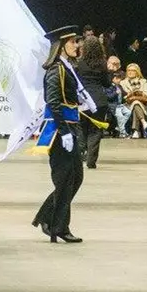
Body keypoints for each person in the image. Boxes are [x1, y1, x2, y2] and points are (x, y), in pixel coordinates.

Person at [32, 26, 93, 243]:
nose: (77, 45)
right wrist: (64, 131)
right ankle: (59, 227)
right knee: (66, 179)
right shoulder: (56, 69)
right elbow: (53, 101)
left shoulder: (67, 68)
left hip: (71, 128)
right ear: (61, 45)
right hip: (60, 132)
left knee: (75, 178)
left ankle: (47, 218)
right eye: (72, 42)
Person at [76, 37, 112, 168]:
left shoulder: (79, 64)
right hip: (99, 101)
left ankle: (79, 157)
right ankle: (91, 160)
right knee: (96, 131)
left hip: (83, 100)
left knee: (81, 129)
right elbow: (107, 84)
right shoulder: (102, 63)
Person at [121, 63, 147, 138]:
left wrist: (139, 94)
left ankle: (136, 131)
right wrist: (132, 94)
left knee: (136, 103)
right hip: (127, 105)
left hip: (142, 104)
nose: (130, 72)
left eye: (133, 70)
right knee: (135, 103)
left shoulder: (143, 81)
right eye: (128, 70)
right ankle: (144, 123)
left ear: (137, 72)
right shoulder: (123, 82)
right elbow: (124, 96)